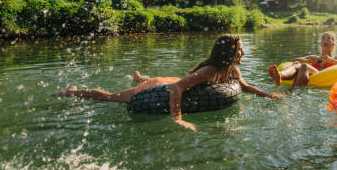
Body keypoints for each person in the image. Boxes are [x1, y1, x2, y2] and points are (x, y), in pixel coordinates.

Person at [54, 34, 282, 130]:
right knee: (109, 97)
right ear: (229, 53)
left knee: (155, 81)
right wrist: (177, 118)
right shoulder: (211, 70)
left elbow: (245, 87)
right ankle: (73, 91)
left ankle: (142, 78)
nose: (243, 54)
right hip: (161, 88)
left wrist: (268, 95)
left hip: (172, 83)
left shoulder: (232, 69)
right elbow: (176, 88)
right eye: (240, 50)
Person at [267, 31, 337, 90]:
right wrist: (308, 60)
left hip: (322, 77)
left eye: (329, 38)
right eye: (323, 37)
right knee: (298, 63)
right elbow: (294, 60)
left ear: (333, 44)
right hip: (309, 76)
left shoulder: (336, 58)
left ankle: (291, 91)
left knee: (305, 66)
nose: (326, 38)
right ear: (320, 44)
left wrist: (332, 61)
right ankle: (280, 76)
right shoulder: (314, 57)